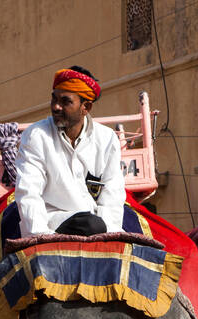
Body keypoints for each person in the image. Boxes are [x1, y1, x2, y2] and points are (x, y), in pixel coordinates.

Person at [13, 66, 126, 237]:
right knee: (91, 225)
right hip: (53, 220)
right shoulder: (36, 136)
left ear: (86, 107)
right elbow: (28, 193)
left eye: (65, 101)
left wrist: (108, 235)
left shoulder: (107, 138)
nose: (56, 107)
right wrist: (41, 237)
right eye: (54, 99)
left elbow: (113, 193)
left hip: (96, 223)